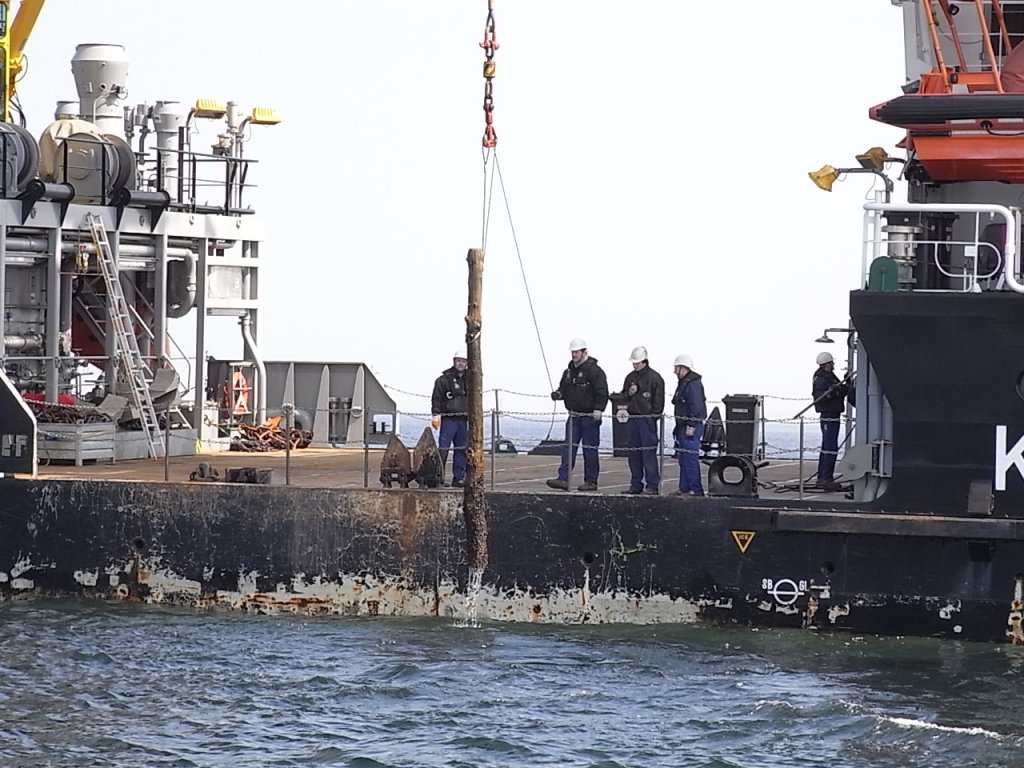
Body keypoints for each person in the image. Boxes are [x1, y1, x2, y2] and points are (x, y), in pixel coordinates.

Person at [546, 337, 609, 491]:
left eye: (576, 352)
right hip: (573, 416)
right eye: (572, 352)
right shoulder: (568, 372)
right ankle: (563, 478)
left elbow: (602, 392)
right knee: (568, 448)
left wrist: (599, 409)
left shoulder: (595, 372)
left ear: (584, 352)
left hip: (589, 417)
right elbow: (563, 389)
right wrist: (558, 394)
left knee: (590, 449)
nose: (574, 355)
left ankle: (591, 481)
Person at [619, 346, 665, 495]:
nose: (635, 365)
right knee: (634, 455)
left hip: (647, 420)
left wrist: (653, 418)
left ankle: (652, 485)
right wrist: (629, 393)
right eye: (634, 363)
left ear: (644, 361)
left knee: (648, 454)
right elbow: (623, 396)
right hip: (633, 419)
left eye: (637, 363)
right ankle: (636, 484)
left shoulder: (655, 378)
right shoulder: (630, 377)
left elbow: (659, 402)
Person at [431, 349, 469, 487]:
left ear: (467, 363)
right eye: (458, 360)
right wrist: (436, 415)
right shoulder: (443, 380)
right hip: (448, 420)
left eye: (463, 361)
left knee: (461, 449)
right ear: (454, 362)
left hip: (463, 420)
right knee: (443, 449)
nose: (460, 363)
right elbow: (436, 398)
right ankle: (438, 477)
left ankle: (458, 478)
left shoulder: (471, 380)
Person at [671, 354, 707, 496]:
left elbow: (696, 406)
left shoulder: (692, 384)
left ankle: (695, 488)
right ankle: (685, 487)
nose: (674, 372)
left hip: (690, 425)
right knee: (684, 458)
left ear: (682, 368)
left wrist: (691, 425)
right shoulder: (687, 383)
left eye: (676, 368)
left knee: (690, 458)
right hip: (683, 424)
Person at [812, 350, 848, 490]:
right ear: (827, 364)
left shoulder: (828, 376)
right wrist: (835, 391)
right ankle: (825, 478)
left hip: (832, 413)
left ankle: (825, 477)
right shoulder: (822, 378)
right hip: (829, 413)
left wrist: (844, 387)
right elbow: (821, 395)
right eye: (832, 362)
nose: (834, 364)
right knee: (829, 446)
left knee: (829, 446)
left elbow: (839, 390)